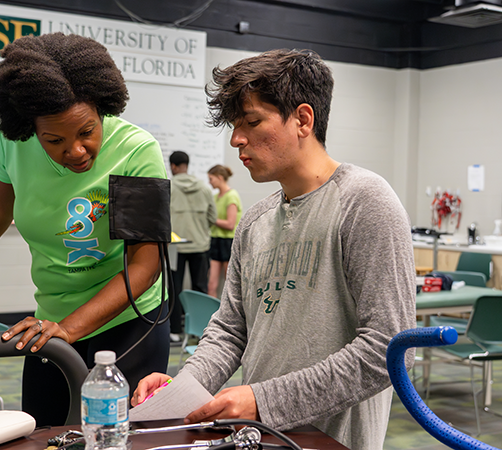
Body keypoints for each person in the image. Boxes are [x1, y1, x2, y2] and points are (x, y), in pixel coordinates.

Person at [132, 49, 416, 450]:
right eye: (234, 126)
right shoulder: (255, 220)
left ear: (303, 119)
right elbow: (231, 330)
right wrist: (185, 387)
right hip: (260, 437)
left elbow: (390, 350)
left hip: (332, 441)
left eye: (251, 122)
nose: (236, 139)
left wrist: (263, 401)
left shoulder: (364, 202)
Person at [0, 33, 170, 427]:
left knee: (118, 435)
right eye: (55, 140)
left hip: (128, 321)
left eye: (87, 132)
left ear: (102, 110)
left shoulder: (135, 151)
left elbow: (144, 266)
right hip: (51, 317)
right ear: (30, 129)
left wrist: (69, 329)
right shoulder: (12, 142)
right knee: (43, 429)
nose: (75, 151)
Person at [168, 151, 217, 340]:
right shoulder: (204, 188)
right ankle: (202, 331)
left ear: (173, 166)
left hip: (175, 248)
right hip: (200, 245)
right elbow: (212, 217)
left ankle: (174, 331)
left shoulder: (169, 188)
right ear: (187, 165)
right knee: (200, 288)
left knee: (175, 289)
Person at [207, 165, 242, 297]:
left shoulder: (232, 196)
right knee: (211, 285)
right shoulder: (215, 197)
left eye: (211, 179)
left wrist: (212, 219)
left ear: (220, 178)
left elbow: (230, 224)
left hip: (228, 242)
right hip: (215, 240)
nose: (210, 182)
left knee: (230, 285)